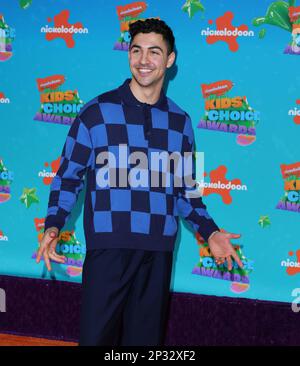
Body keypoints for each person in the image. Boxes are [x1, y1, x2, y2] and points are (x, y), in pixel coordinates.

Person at [36, 18, 243, 346]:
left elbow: (186, 193)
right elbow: (67, 177)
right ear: (129, 54)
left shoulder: (181, 122)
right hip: (109, 250)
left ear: (170, 60)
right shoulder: (96, 113)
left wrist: (211, 231)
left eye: (154, 52)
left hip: (157, 253)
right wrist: (52, 226)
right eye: (137, 50)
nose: (144, 60)